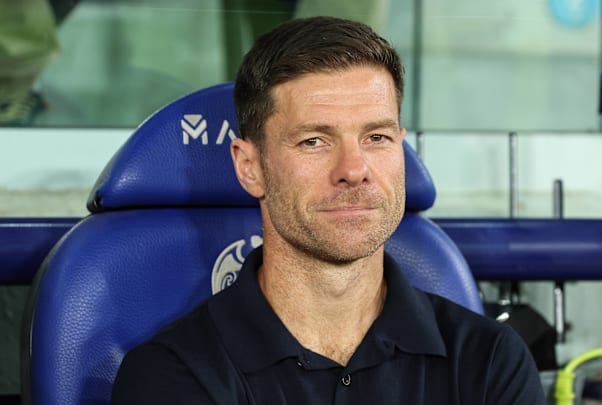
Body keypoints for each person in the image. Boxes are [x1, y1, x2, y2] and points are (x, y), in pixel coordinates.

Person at [112, 16, 546, 404]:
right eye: (314, 141)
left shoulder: (489, 360)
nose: (354, 170)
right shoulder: (173, 374)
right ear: (250, 167)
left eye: (376, 138)